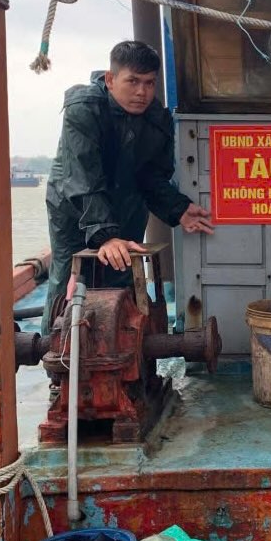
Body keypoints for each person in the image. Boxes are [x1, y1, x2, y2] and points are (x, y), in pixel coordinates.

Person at [43, 41, 213, 335]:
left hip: (126, 202)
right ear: (110, 79)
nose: (141, 92)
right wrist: (106, 236)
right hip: (73, 205)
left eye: (149, 83)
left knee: (122, 275)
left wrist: (179, 209)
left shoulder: (156, 118)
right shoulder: (83, 109)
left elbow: (152, 177)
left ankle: (124, 354)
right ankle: (57, 355)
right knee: (68, 281)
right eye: (132, 81)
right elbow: (83, 177)